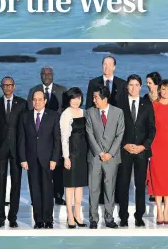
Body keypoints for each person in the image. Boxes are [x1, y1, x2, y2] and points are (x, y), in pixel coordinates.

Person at [18, 88, 61, 229]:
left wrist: (55, 159)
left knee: (48, 190)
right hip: (31, 160)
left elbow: (57, 140)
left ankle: (48, 220)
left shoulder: (53, 116)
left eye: (40, 99)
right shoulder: (25, 116)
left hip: (48, 159)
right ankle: (38, 220)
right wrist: (23, 159)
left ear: (45, 101)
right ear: (32, 101)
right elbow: (21, 140)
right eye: (35, 100)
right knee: (34, 190)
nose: (37, 102)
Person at [117, 74, 156, 227]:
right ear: (127, 86)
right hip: (124, 150)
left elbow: (152, 129)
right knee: (123, 184)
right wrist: (124, 144)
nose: (133, 88)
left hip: (141, 151)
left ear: (140, 87)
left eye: (136, 85)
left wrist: (143, 146)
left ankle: (139, 216)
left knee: (140, 186)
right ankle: (124, 217)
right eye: (131, 85)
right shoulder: (120, 104)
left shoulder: (147, 104)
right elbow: (116, 128)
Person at [85, 86, 124, 229]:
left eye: (96, 97)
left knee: (110, 189)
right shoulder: (90, 112)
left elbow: (120, 134)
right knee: (93, 189)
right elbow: (89, 134)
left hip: (112, 158)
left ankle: (109, 218)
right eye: (93, 97)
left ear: (104, 98)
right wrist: (100, 153)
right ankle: (93, 219)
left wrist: (110, 153)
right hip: (95, 157)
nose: (93, 100)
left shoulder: (118, 112)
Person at [27, 67, 67, 205]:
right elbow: (29, 111)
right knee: (38, 169)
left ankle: (57, 195)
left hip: (56, 133)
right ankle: (37, 197)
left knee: (57, 166)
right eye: (44, 74)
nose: (47, 76)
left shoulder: (62, 90)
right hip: (39, 135)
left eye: (49, 74)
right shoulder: (34, 90)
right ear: (40, 76)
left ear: (53, 75)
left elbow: (66, 111)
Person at [0, 76, 26, 228]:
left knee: (16, 184)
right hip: (0, 150)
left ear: (14, 86)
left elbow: (25, 129)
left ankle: (13, 217)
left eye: (10, 85)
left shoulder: (23, 104)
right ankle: (0, 217)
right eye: (4, 85)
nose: (7, 87)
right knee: (0, 183)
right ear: (1, 87)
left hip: (17, 149)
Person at [147, 79, 168, 225]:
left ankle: (167, 210)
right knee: (157, 178)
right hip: (156, 146)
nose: (165, 92)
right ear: (159, 90)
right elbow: (149, 128)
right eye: (163, 89)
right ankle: (159, 210)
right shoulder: (153, 106)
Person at [60, 88, 89, 228]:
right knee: (70, 185)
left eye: (79, 98)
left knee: (80, 185)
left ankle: (78, 213)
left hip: (83, 153)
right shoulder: (66, 114)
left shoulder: (84, 112)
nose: (76, 101)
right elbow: (64, 138)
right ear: (69, 99)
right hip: (71, 153)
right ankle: (69, 215)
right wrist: (66, 157)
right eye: (74, 98)